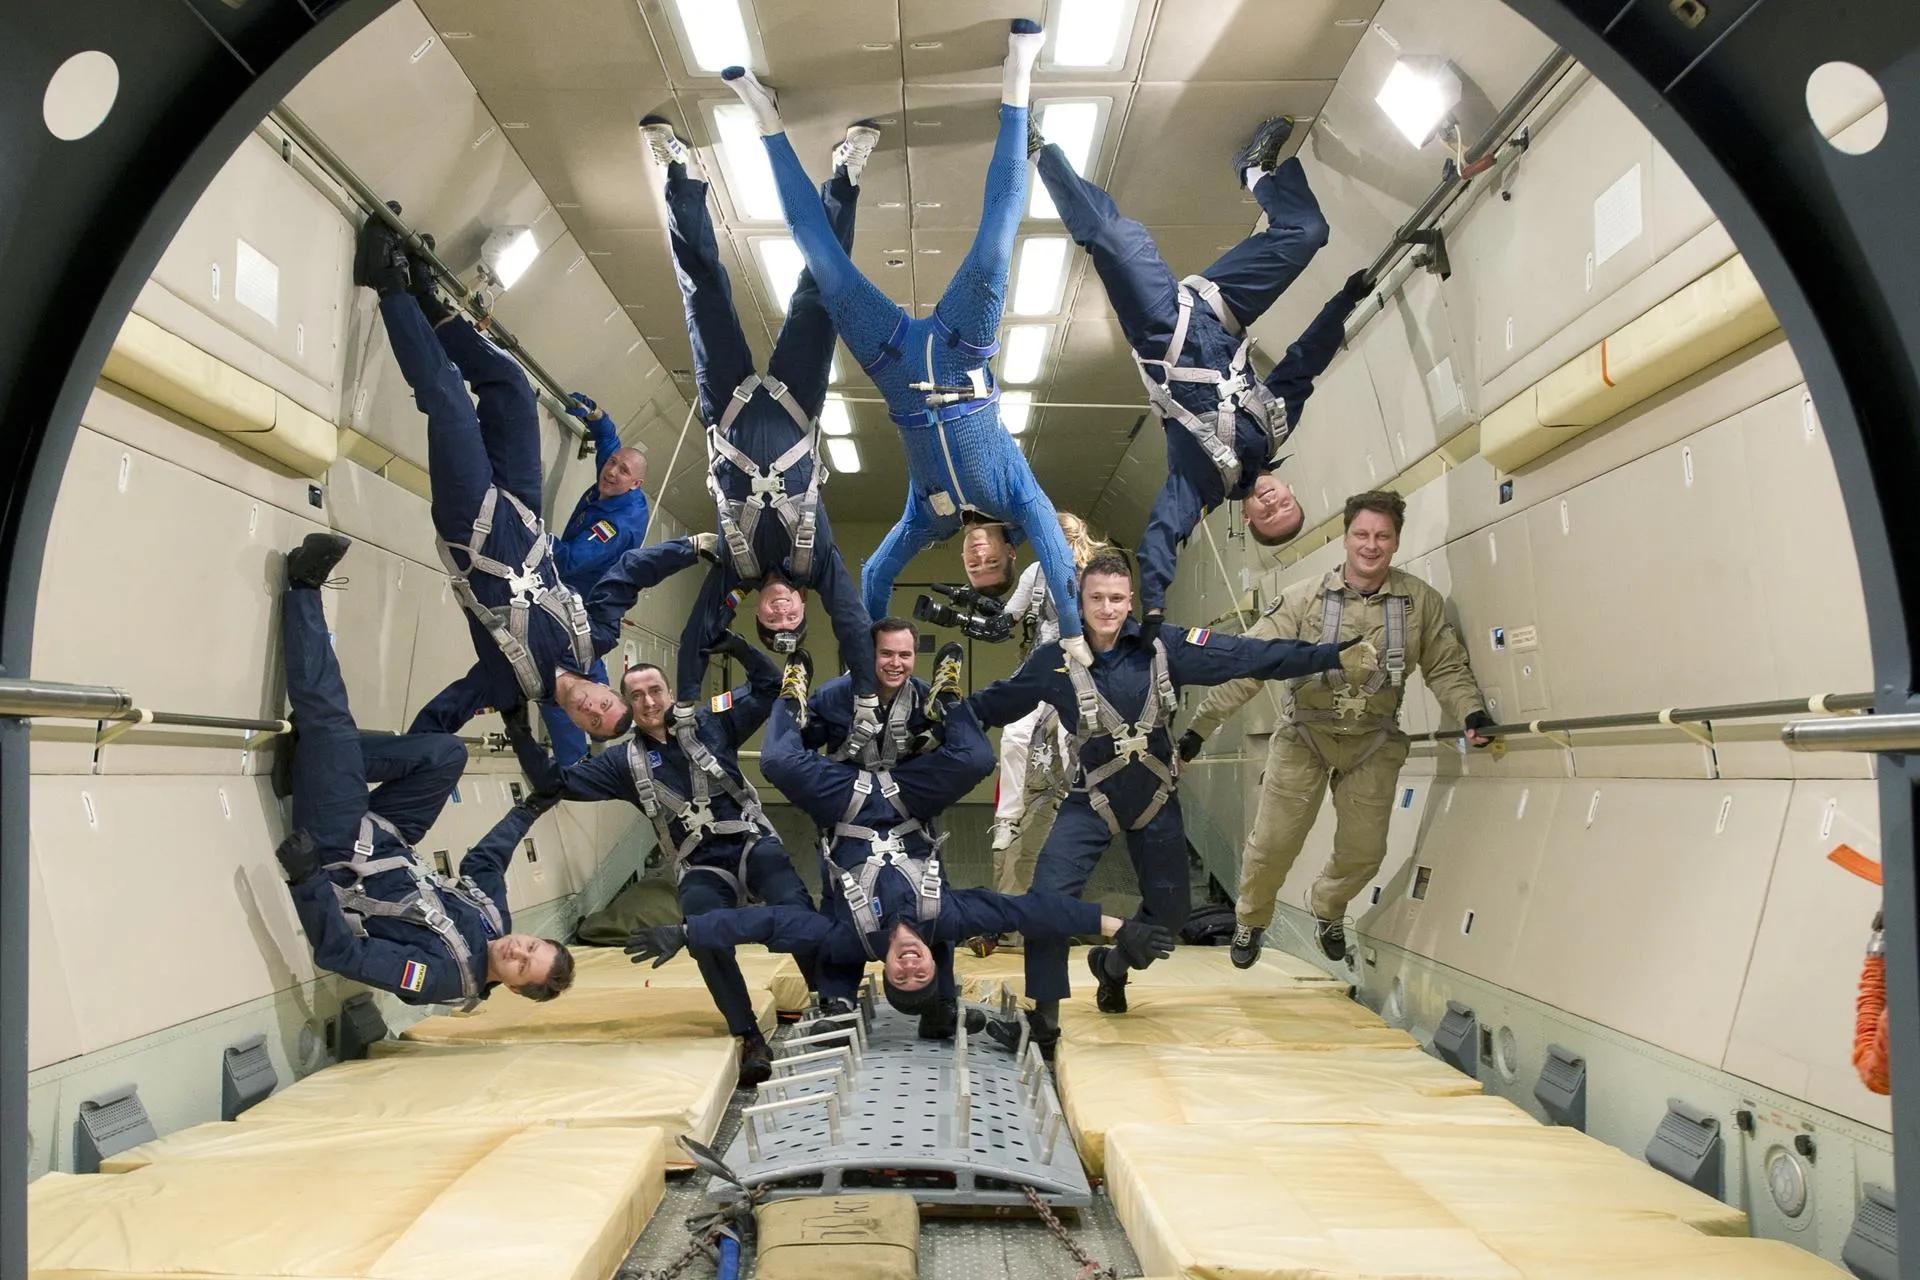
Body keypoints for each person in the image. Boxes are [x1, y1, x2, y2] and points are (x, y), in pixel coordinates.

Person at [720, 21, 1094, 666]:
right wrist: (1072, 634)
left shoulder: (930, 518)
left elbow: (875, 573)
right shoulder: (1019, 497)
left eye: (973, 569)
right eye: (991, 564)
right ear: (1011, 550)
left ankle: (766, 122)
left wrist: (870, 655)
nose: (977, 559)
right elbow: (1059, 556)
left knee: (820, 260)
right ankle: (1018, 82)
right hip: (963, 354)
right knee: (997, 240)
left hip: (893, 368)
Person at [354, 209, 714, 763]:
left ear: (573, 721)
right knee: (512, 390)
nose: (591, 707)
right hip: (523, 512)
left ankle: (388, 284)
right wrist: (692, 548)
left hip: (474, 527)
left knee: (449, 403)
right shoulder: (595, 637)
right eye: (604, 704)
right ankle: (429, 302)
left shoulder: (508, 683)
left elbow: (442, 715)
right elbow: (630, 575)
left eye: (590, 718)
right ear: (607, 689)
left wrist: (394, 767)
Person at [966, 551, 1356, 1055]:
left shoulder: (1164, 648)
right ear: (1079, 602)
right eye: (1096, 599)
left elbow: (1248, 655)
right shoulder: (1054, 663)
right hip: (1091, 799)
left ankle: (1111, 967)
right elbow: (993, 703)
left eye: (1116, 598)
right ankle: (1043, 1021)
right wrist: (935, 721)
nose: (1107, 609)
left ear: (1131, 601)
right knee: (1047, 902)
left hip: (1155, 800)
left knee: (1170, 919)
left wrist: (1331, 656)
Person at [629, 695, 1175, 1025]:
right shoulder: (947, 918)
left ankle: (790, 701)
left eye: (901, 976)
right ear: (934, 963)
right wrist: (1117, 927)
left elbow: (767, 923)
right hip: (908, 800)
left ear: (887, 971)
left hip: (843, 803)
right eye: (921, 974)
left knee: (776, 760)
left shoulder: (847, 938)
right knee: (976, 757)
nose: (910, 966)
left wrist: (688, 931)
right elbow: (1029, 912)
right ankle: (949, 700)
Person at [1031, 115, 1374, 629]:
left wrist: (1153, 605)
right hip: (1220, 311)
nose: (1275, 503)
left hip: (1164, 331)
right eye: (1286, 505)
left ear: (1248, 518)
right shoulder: (1274, 429)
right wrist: (1344, 301)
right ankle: (1255, 171)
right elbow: (1304, 363)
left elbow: (1161, 533)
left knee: (1113, 237)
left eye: (1269, 516)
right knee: (1307, 233)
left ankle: (1038, 149)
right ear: (1290, 492)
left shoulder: (1201, 484)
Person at [640, 117, 885, 743]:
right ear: (802, 607)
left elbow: (696, 633)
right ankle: (845, 177)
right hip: (797, 405)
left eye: (772, 623)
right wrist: (865, 695)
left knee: (702, 292)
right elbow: (853, 623)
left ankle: (676, 172)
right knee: (822, 290)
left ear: (756, 610)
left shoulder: (734, 568)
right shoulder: (819, 561)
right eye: (791, 621)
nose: (781, 614)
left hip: (725, 406)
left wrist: (687, 702)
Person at [1180, 490, 1494, 967]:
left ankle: (1327, 905)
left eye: (1382, 536)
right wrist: (1197, 731)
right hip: (1304, 737)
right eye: (1361, 534)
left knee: (1365, 852)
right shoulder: (1303, 600)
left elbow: (1446, 667)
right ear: (1345, 538)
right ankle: (1251, 919)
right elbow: (1249, 666)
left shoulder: (1420, 604)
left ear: (1396, 542)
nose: (1371, 545)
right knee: (1273, 844)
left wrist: (1471, 713)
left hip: (1373, 741)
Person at [274, 532, 572, 1008]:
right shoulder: (493, 922)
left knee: (329, 722)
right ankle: (316, 761)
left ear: (514, 987)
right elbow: (487, 862)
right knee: (446, 754)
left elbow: (341, 954)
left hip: (338, 849)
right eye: (532, 947)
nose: (517, 950)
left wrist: (307, 879)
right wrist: (531, 808)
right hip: (392, 832)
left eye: (521, 965)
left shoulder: (440, 979)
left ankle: (304, 587)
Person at [525, 638, 811, 1087]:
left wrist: (735, 644)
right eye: (636, 695)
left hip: (751, 844)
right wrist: (527, 724)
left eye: (655, 690)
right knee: (702, 933)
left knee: (793, 903)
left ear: (670, 693)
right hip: (701, 865)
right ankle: (749, 1036)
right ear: (626, 705)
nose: (648, 701)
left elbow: (769, 684)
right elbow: (558, 783)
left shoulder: (713, 721)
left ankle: (831, 998)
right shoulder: (621, 763)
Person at [990, 512, 1109, 891]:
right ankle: (1008, 819)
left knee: (1070, 743)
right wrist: (980, 612)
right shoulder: (1035, 573)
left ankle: (1081, 813)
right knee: (1014, 736)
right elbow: (1009, 616)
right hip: (1040, 669)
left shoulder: (1093, 576)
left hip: (1080, 673)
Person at [551, 392, 650, 597]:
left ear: (635, 484)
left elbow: (568, 561)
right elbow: (608, 438)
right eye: (612, 462)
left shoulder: (616, 526)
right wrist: (593, 412)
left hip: (577, 595)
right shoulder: (614, 478)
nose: (611, 471)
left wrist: (531, 533)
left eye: (624, 471)